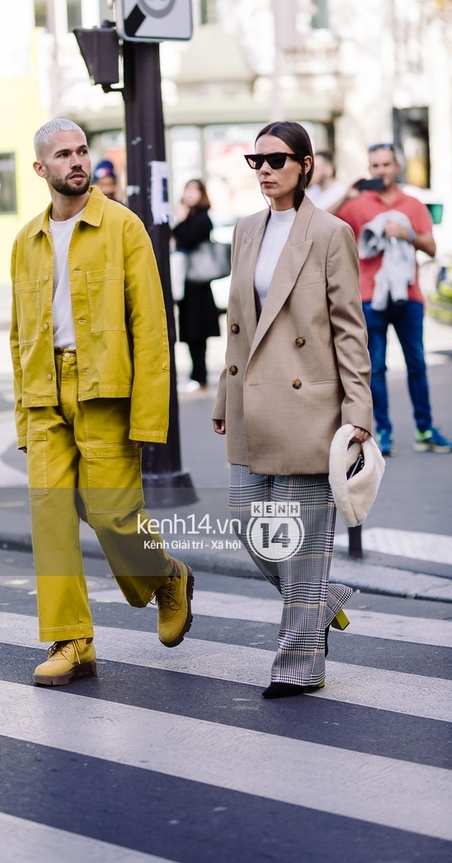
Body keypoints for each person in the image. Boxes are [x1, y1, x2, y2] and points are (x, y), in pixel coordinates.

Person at [10, 118, 194, 687]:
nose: (77, 161)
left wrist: (148, 415)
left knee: (112, 512)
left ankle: (165, 576)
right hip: (46, 393)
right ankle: (72, 641)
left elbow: (151, 325)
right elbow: (19, 335)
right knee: (51, 519)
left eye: (82, 150)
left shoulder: (123, 227)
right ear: (41, 169)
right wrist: (24, 412)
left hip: (105, 388)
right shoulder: (26, 240)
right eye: (63, 154)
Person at [212, 121, 373, 699]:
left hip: (310, 405)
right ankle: (321, 603)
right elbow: (237, 325)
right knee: (249, 527)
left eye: (276, 160)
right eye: (256, 160)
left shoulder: (330, 233)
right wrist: (224, 395)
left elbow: (350, 330)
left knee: (299, 542)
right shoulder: (246, 230)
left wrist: (359, 410)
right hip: (254, 400)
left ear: (304, 164)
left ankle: (299, 661)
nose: (264, 170)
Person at [334, 144, 451, 456]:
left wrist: (407, 234)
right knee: (377, 368)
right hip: (370, 297)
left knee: (416, 364)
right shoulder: (358, 204)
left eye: (386, 164)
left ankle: (425, 429)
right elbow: (323, 225)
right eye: (375, 165)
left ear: (397, 166)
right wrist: (347, 195)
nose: (380, 171)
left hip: (408, 296)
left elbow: (431, 246)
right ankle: (382, 431)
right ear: (369, 169)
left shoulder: (412, 204)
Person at [172, 179, 221, 392]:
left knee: (198, 333)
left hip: (199, 283)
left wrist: (181, 219)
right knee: (191, 333)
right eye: (187, 189)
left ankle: (199, 377)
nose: (190, 194)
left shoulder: (203, 219)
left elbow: (185, 238)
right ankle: (196, 375)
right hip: (189, 283)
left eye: (194, 190)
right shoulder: (190, 217)